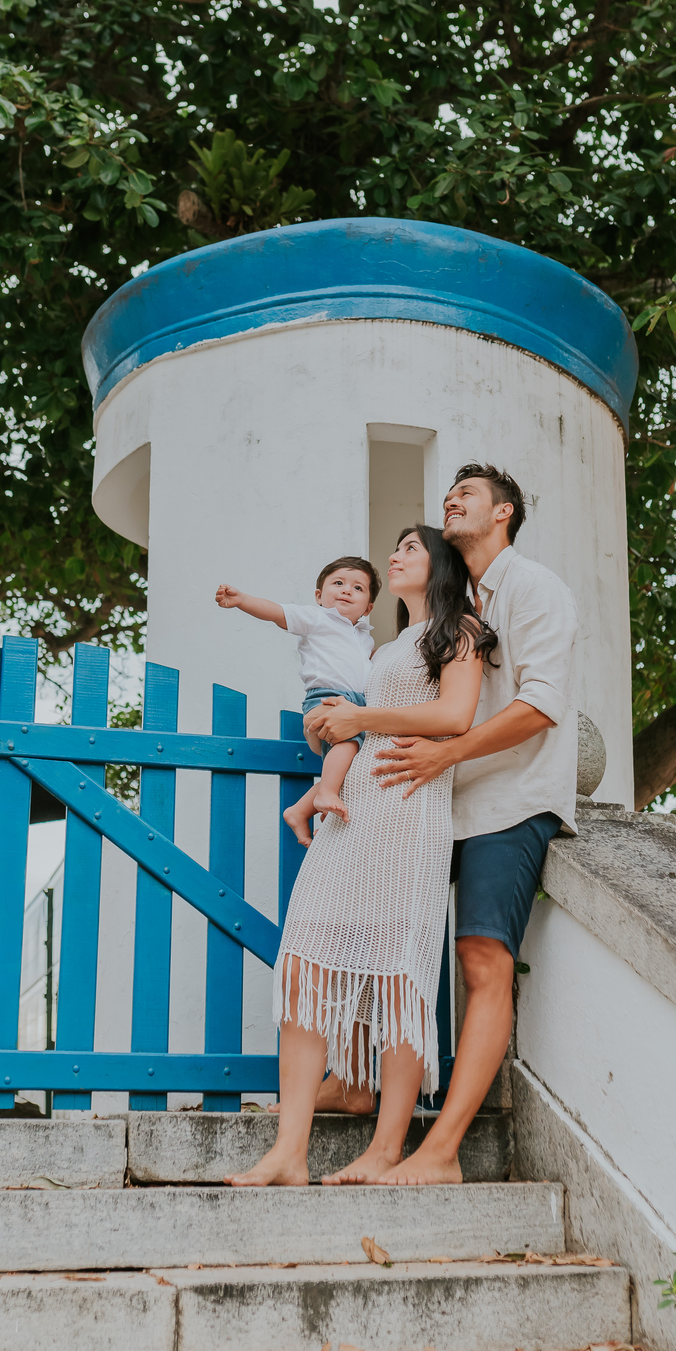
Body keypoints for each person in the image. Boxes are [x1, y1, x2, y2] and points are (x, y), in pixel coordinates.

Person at [308, 463, 578, 1186]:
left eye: (469, 495)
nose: (451, 501)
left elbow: (542, 704)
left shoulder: (533, 589)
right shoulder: (446, 609)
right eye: (448, 494)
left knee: (482, 960)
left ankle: (442, 1150)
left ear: (505, 513)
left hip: (507, 799)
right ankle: (354, 1076)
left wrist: (447, 753)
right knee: (378, 934)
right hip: (433, 801)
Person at [225, 525, 494, 1187]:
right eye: (396, 546)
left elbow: (456, 716)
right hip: (358, 808)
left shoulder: (458, 628)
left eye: (410, 546)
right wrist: (339, 720)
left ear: (437, 565)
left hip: (409, 805)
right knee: (307, 963)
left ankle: (384, 1151)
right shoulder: (387, 643)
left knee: (399, 976)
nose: (396, 554)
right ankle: (289, 1151)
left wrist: (360, 719)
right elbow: (359, 714)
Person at [215, 556, 381, 847]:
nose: (346, 590)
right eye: (338, 583)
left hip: (356, 706)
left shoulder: (364, 637)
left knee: (351, 765)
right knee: (347, 743)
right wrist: (242, 600)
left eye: (357, 588)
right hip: (326, 698)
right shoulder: (318, 618)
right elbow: (276, 612)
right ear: (319, 596)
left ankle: (299, 810)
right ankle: (326, 794)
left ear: (368, 607)